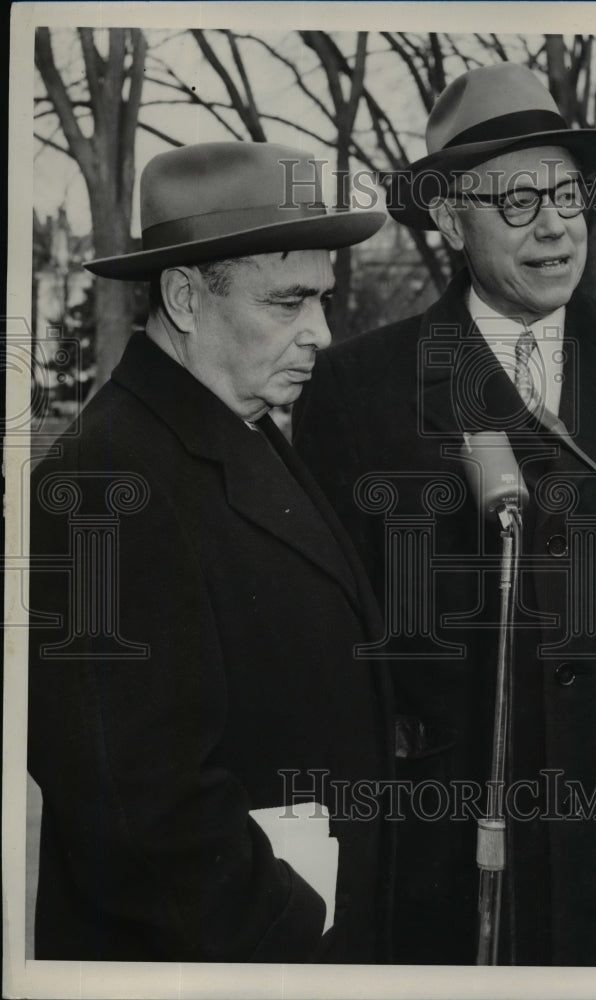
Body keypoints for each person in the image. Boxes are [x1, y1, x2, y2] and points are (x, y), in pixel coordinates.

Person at [293, 64, 596, 966]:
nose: (554, 224)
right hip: (447, 855)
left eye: (567, 195)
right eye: (516, 200)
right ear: (451, 219)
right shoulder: (358, 387)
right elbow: (330, 643)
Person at [27, 141, 395, 963]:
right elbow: (132, 804)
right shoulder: (105, 475)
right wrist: (291, 929)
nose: (320, 333)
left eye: (325, 300)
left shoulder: (239, 428)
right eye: (288, 302)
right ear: (186, 297)